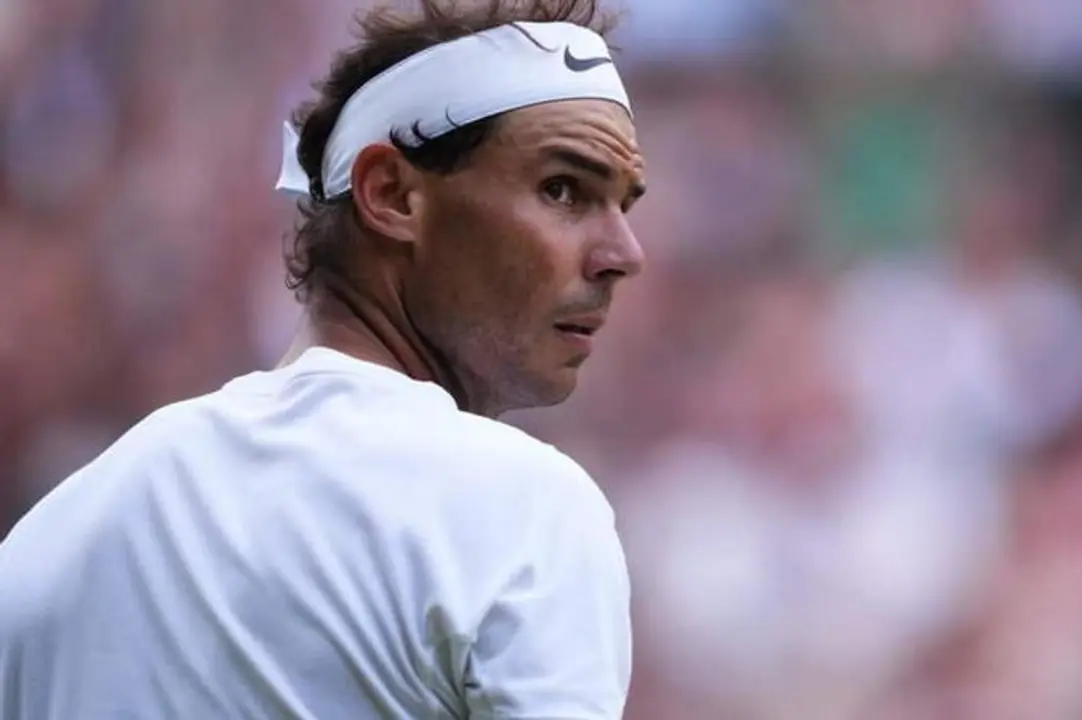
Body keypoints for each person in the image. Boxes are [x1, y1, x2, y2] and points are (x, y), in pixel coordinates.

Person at [0, 0, 647, 718]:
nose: (624, 254)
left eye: (625, 205)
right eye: (563, 190)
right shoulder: (530, 511)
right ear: (391, 194)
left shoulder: (53, 535)